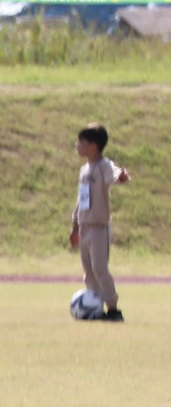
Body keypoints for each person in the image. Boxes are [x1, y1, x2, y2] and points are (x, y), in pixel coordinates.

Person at [70, 123, 132, 322]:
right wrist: (75, 226)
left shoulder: (103, 165)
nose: (77, 145)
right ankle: (94, 306)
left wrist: (121, 177)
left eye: (81, 142)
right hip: (85, 226)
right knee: (88, 271)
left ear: (94, 145)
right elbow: (81, 199)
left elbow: (114, 174)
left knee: (100, 268)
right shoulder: (83, 170)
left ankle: (113, 308)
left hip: (99, 227)